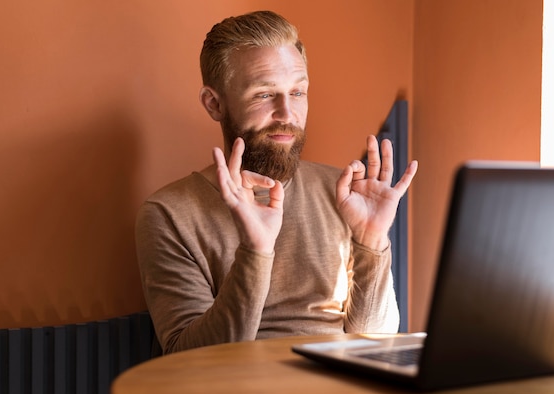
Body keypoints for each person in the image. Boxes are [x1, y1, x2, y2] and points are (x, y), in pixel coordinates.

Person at [135, 10, 418, 354]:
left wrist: (371, 243)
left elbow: (377, 342)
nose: (287, 114)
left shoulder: (344, 192)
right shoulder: (169, 214)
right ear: (214, 103)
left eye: (298, 92)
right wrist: (255, 252)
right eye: (264, 95)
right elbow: (190, 360)